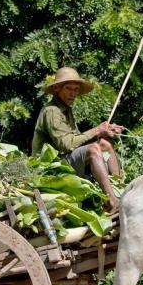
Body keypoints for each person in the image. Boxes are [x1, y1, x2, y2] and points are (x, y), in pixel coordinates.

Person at [32, 67, 125, 212]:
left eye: (76, 89)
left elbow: (78, 140)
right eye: (69, 89)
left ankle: (120, 189)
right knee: (94, 150)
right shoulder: (52, 111)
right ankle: (112, 201)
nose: (73, 93)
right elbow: (66, 145)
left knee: (105, 145)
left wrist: (104, 132)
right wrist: (97, 130)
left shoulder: (66, 110)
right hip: (52, 166)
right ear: (56, 88)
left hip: (67, 159)